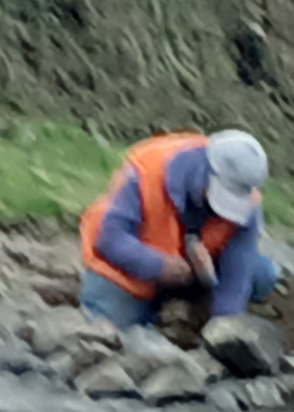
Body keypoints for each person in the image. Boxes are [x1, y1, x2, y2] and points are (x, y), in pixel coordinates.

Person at [79, 126, 275, 332]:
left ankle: (191, 306)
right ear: (204, 171)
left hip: (194, 273)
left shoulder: (247, 202)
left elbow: (236, 274)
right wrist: (157, 266)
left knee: (261, 274)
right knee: (111, 328)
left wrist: (223, 327)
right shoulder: (148, 170)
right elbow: (110, 238)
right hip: (130, 265)